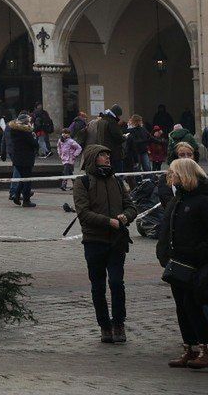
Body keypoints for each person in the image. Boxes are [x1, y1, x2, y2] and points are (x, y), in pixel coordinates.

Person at [156, 157, 208, 371]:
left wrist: (204, 253)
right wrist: (164, 253)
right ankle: (190, 348)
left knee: (192, 304)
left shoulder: (203, 200)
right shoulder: (178, 199)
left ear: (185, 174)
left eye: (174, 173)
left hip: (195, 263)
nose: (171, 177)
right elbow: (167, 228)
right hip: (176, 263)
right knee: (181, 306)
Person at [71, 143, 131, 344]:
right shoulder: (83, 182)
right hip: (94, 241)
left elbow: (131, 205)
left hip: (117, 241)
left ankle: (119, 323)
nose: (107, 158)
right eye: (102, 155)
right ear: (92, 159)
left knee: (117, 283)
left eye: (108, 154)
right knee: (98, 286)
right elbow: (83, 213)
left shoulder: (116, 180)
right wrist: (109, 221)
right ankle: (104, 325)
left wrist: (126, 216)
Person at [6, 114, 38, 207]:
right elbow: (34, 144)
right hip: (26, 158)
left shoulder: (14, 130)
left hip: (17, 158)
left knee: (23, 178)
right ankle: (26, 200)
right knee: (27, 180)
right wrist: (34, 136)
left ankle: (16, 195)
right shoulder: (26, 132)